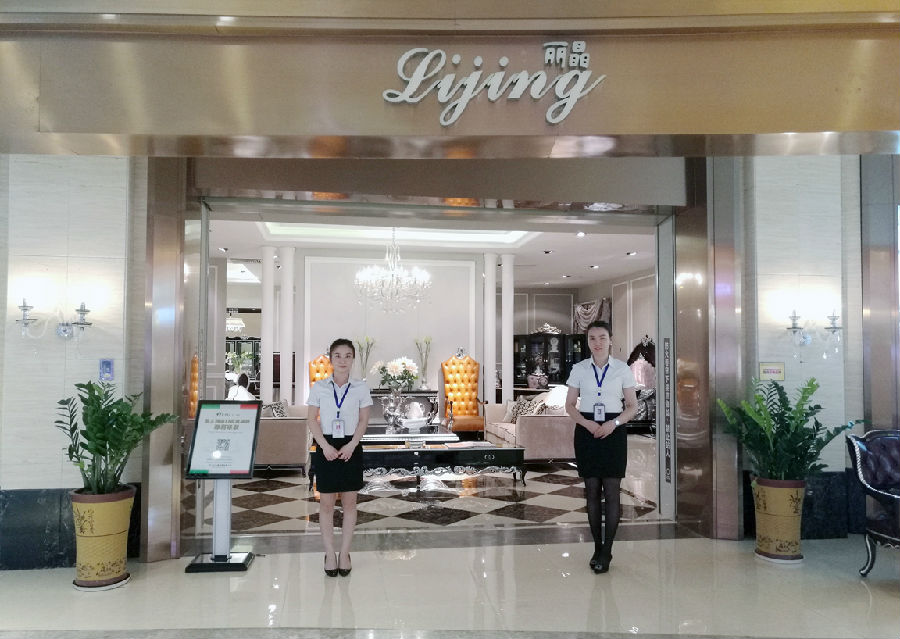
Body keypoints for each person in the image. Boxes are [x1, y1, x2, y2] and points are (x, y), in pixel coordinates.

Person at [565, 320, 638, 574]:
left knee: (612, 491)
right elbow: (570, 405)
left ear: (610, 340)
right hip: (587, 431)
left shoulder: (622, 369)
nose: (597, 343)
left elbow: (632, 406)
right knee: (592, 491)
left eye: (602, 338)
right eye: (592, 338)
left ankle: (607, 551)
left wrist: (613, 423)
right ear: (588, 342)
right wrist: (586, 423)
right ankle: (597, 546)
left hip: (613, 431)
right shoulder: (579, 369)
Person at [307, 338, 372, 577]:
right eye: (338, 355)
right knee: (326, 504)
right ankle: (329, 553)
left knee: (349, 503)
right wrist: (323, 446)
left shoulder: (360, 387)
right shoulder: (319, 387)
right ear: (331, 359)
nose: (343, 360)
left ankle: (344, 553)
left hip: (351, 445)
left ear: (353, 359)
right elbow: (312, 419)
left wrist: (352, 444)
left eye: (347, 356)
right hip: (326, 445)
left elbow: (364, 420)